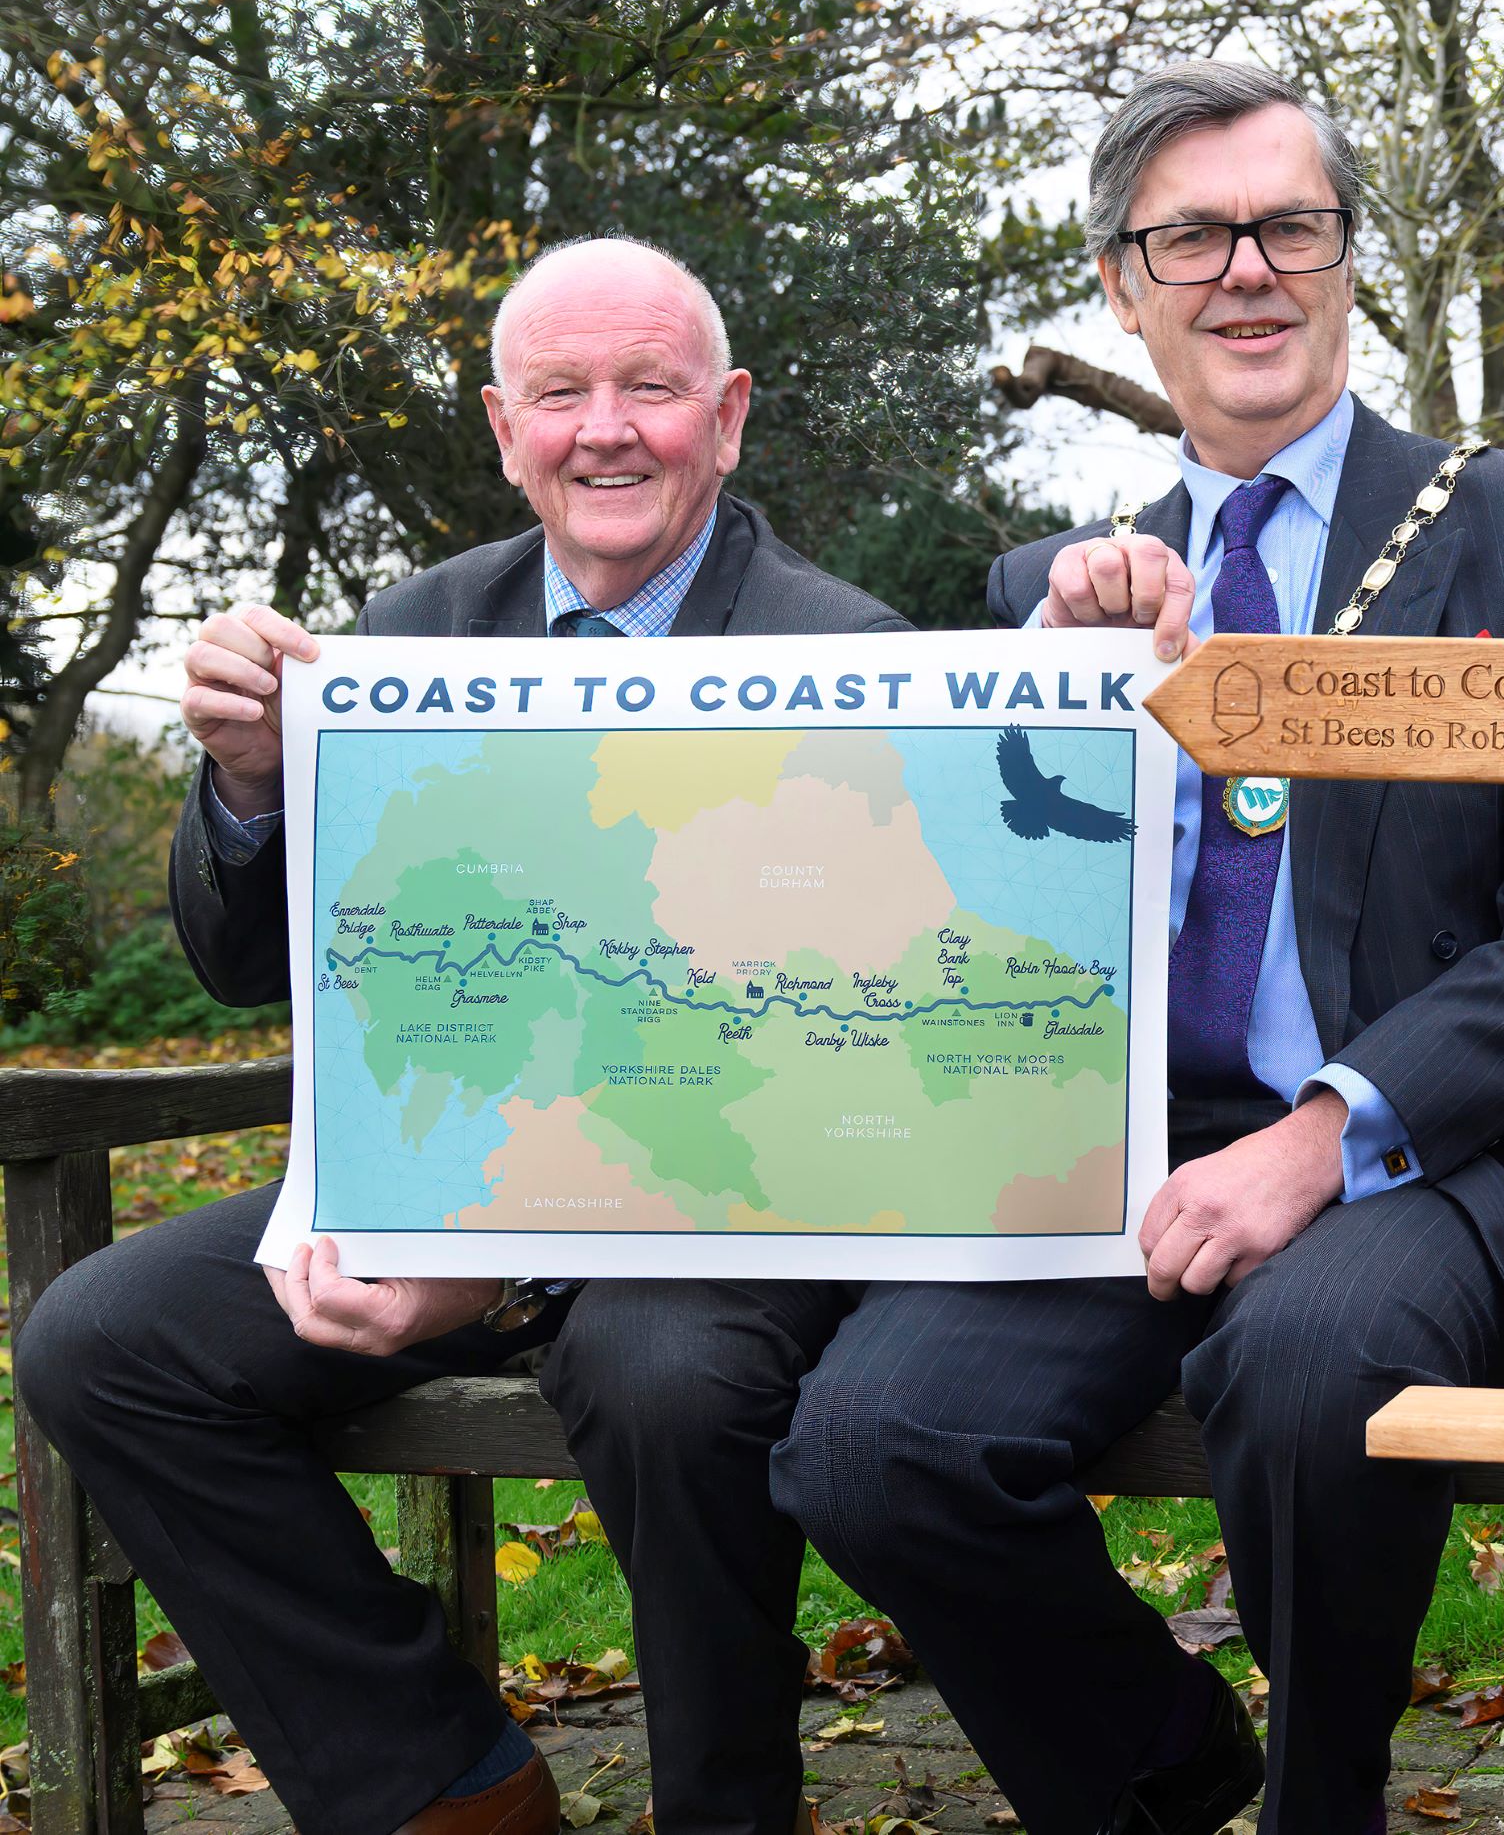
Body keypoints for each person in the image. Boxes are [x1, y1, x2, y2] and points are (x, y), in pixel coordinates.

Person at [758, 59, 1504, 1835]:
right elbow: (965, 928)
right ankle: (1163, 1775)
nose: (1247, 270)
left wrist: (1327, 1132)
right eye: (1193, 236)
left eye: (1291, 227)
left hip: (1443, 1164)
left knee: (1306, 1355)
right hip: (1120, 1161)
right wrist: (1052, 689)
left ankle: (1320, 1805)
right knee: (867, 1450)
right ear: (1123, 283)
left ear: (1347, 263)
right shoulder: (1063, 581)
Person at [17, 237, 913, 1835]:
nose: (606, 429)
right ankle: (438, 1785)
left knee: (659, 1376)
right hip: (441, 1179)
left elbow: (829, 1056)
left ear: (728, 417)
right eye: (562, 393)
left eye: (651, 387)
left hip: (722, 1210)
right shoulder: (410, 631)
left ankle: (729, 1808)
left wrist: (517, 1264)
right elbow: (244, 966)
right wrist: (245, 783)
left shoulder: (853, 649)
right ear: (505, 429)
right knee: (100, 1342)